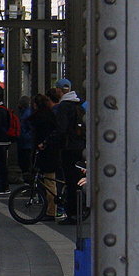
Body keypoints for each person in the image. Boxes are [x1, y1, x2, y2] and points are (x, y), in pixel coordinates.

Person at [52, 81, 86, 224]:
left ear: (59, 90)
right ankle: (81, 209)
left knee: (70, 181)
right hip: (80, 147)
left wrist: (50, 142)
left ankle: (72, 213)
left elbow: (61, 129)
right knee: (77, 180)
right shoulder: (79, 105)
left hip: (68, 148)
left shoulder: (63, 107)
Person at [27, 93, 60, 217]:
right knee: (49, 181)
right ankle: (51, 209)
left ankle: (52, 211)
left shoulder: (40, 118)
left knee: (50, 182)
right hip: (51, 153)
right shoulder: (50, 115)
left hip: (46, 153)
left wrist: (41, 145)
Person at [15, 95, 34, 183]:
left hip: (26, 143)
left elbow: (28, 128)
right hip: (24, 142)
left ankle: (28, 182)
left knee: (26, 164)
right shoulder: (25, 113)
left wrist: (25, 137)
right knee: (24, 164)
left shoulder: (26, 114)